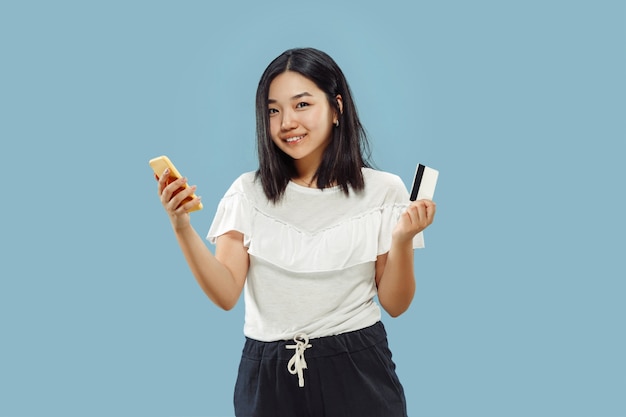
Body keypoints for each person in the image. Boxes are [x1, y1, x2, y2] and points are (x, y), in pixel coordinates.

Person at [155, 47, 436, 417]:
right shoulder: (247, 193)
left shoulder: (384, 191)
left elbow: (396, 305)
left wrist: (400, 241)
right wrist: (181, 226)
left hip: (358, 366)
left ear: (337, 108)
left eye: (302, 104)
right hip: (268, 374)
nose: (286, 121)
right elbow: (225, 293)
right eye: (273, 110)